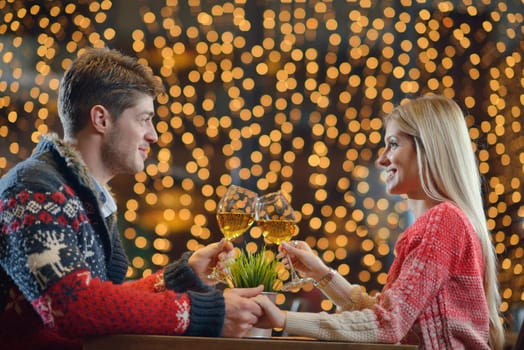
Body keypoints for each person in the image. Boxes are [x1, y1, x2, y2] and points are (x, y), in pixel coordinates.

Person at [0, 47, 263, 350]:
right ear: (101, 119)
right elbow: (73, 306)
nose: (153, 135)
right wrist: (207, 313)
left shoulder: (84, 197)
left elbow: (104, 305)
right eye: (144, 119)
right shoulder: (32, 190)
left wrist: (180, 277)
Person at [254, 95, 504, 349]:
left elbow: (388, 323)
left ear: (428, 147)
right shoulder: (446, 221)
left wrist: (283, 319)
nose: (381, 160)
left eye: (393, 144)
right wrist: (320, 273)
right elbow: (390, 313)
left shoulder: (443, 221)